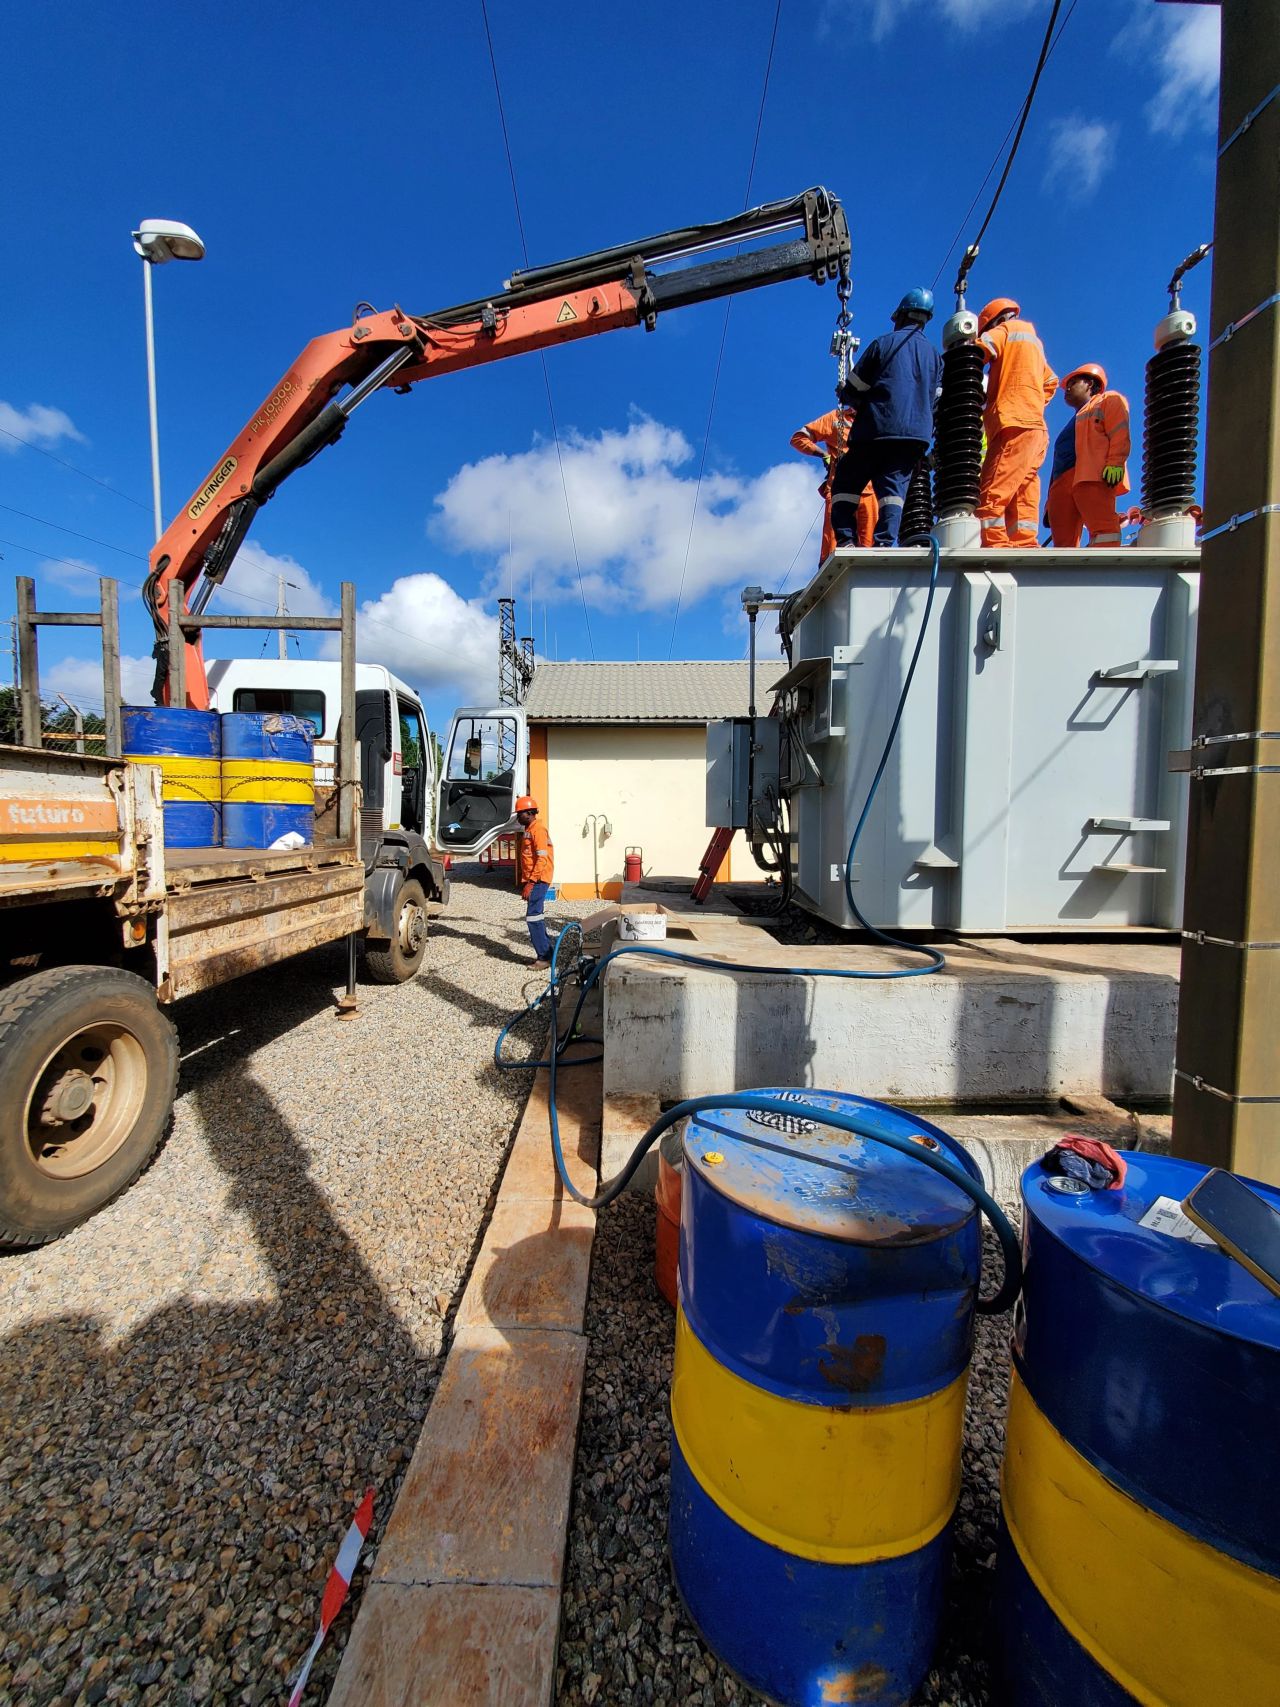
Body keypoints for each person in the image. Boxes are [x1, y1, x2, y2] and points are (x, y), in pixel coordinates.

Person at [830, 287, 942, 547]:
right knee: (893, 493)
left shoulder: (884, 344)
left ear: (901, 316)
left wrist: (847, 394)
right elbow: (936, 401)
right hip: (914, 438)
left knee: (845, 483)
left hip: (876, 430)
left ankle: (847, 541)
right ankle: (883, 542)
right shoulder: (935, 358)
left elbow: (854, 388)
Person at [975, 297, 1058, 547]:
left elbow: (978, 352)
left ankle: (995, 544)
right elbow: (1051, 381)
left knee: (991, 492)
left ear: (993, 322)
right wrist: (1032, 401)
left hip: (1012, 423)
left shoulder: (1004, 331)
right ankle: (1024, 542)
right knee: (1023, 488)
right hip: (1036, 428)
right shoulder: (1036, 344)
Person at [1045, 363, 1130, 547]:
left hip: (1091, 476)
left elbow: (1119, 433)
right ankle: (1066, 575)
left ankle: (1104, 570)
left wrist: (1115, 463)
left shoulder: (1108, 400)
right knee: (1062, 544)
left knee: (1103, 529)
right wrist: (1048, 504)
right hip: (1062, 484)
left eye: (1073, 382)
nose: (1067, 388)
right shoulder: (1073, 422)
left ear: (1090, 384)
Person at [789, 406, 877, 558]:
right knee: (834, 549)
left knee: (871, 551)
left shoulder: (878, 417)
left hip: (871, 493)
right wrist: (822, 454)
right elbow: (799, 438)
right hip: (839, 492)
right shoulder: (836, 418)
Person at [516, 794, 554, 964]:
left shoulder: (537, 829)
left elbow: (541, 858)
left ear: (529, 813)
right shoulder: (530, 829)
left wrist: (531, 883)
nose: (518, 817)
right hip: (536, 879)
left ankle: (544, 957)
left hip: (538, 879)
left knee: (533, 917)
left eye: (520, 813)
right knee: (535, 915)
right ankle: (548, 951)